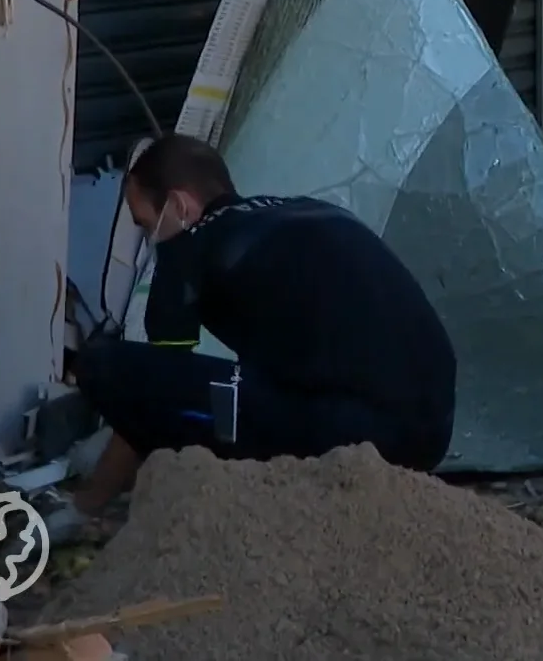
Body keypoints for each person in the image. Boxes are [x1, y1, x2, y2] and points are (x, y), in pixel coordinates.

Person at [56, 134, 457, 530]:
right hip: (430, 434)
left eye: (145, 223)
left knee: (105, 365)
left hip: (357, 434)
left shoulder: (187, 250)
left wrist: (88, 501)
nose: (149, 238)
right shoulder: (298, 213)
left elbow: (152, 388)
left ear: (179, 205)